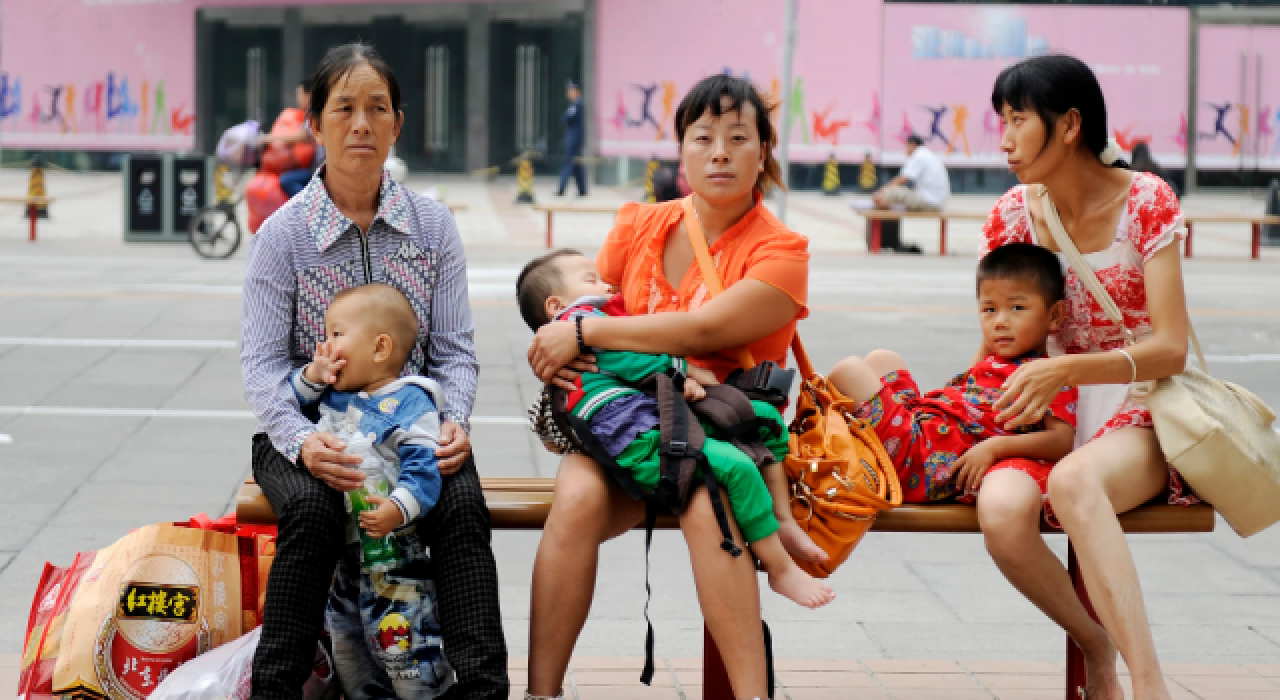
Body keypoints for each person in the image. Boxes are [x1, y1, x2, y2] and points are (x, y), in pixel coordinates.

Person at [524, 74, 816, 700]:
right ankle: (539, 693)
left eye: (738, 138)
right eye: (702, 137)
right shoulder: (638, 227)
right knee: (573, 498)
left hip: (727, 430)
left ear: (763, 152)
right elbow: (585, 316)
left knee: (705, 492)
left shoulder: (782, 252)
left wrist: (588, 337)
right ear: (680, 149)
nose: (719, 152)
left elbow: (703, 327)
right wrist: (564, 350)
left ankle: (751, 695)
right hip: (632, 427)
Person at [240, 42, 508, 700]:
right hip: (311, 429)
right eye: (345, 108)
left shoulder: (432, 226)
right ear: (315, 124)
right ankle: (276, 689)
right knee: (309, 516)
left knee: (463, 510)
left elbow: (455, 350)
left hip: (408, 426)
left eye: (377, 109)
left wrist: (455, 424)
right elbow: (263, 365)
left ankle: (481, 690)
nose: (361, 123)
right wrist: (304, 442)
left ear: (397, 125)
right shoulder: (283, 236)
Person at [978, 54, 1195, 700]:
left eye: (1019, 120)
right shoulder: (1013, 215)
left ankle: (1149, 685)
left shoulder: (1147, 201)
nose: (1006, 138)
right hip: (1052, 414)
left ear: (1070, 125)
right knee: (1000, 512)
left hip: (1141, 406)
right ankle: (1096, 646)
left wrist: (1070, 364)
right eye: (1004, 120)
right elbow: (998, 336)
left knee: (1075, 483)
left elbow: (1173, 347)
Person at [517, 249, 836, 609]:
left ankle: (782, 519)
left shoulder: (595, 320)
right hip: (640, 437)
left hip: (661, 414)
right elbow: (624, 358)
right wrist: (680, 371)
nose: (604, 284)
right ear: (555, 303)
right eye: (591, 280)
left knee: (762, 417)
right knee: (737, 467)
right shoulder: (575, 322)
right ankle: (779, 569)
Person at [291, 283, 454, 698]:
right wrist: (312, 375)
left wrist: (397, 510)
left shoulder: (411, 403)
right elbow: (291, 407)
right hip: (346, 564)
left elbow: (424, 470)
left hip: (397, 563)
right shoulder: (334, 397)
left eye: (336, 335)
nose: (325, 346)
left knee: (407, 659)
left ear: (380, 348)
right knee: (351, 655)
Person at [829, 243, 1078, 504]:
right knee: (883, 358)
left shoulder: (1048, 375)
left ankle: (833, 454)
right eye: (989, 310)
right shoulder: (996, 359)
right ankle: (849, 448)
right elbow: (967, 381)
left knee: (849, 370)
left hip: (927, 461)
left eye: (1016, 308)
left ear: (1055, 316)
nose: (1000, 322)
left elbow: (1061, 440)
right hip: (920, 427)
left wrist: (995, 449)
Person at [262, 79, 321, 197]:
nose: (298, 98)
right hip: (317, 166)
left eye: (300, 94)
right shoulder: (310, 112)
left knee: (286, 180)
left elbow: (303, 136)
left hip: (320, 168)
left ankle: (309, 205)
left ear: (309, 94)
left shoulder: (315, 111)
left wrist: (270, 138)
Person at [872, 133, 950, 211]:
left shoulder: (919, 155)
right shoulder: (926, 154)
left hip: (931, 202)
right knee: (891, 195)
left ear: (913, 145)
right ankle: (887, 220)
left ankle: (884, 222)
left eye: (906, 146)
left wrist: (881, 191)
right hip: (936, 201)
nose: (905, 150)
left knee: (888, 195)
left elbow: (902, 179)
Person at [556, 80, 587, 197]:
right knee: (577, 166)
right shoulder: (576, 104)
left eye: (570, 90)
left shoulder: (577, 104)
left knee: (568, 164)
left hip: (574, 140)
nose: (568, 93)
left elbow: (566, 119)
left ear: (576, 91)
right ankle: (582, 190)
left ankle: (561, 188)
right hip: (575, 140)